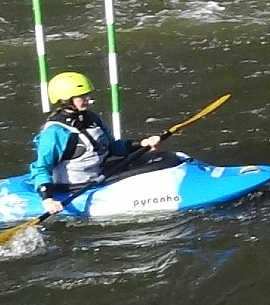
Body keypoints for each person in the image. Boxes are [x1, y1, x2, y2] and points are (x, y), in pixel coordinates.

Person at [26, 71, 173, 213]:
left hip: (99, 175)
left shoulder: (91, 119)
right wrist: (48, 200)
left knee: (163, 159)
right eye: (81, 96)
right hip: (74, 187)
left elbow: (113, 148)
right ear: (66, 100)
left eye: (86, 95)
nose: (87, 99)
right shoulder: (55, 132)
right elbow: (41, 168)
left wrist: (142, 144)